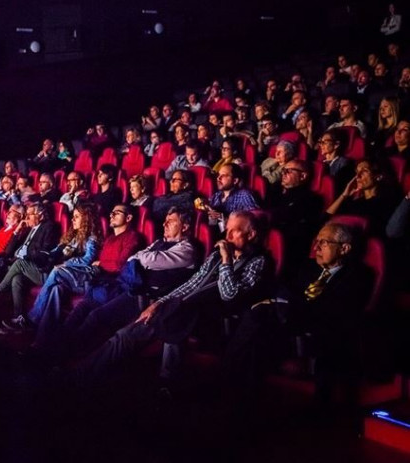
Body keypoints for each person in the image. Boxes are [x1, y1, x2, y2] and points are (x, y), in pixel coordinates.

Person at [73, 211, 268, 383]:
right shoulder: (216, 256)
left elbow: (229, 295)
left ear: (251, 235)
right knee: (125, 335)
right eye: (227, 230)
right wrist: (159, 302)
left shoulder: (257, 261)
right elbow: (192, 284)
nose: (228, 236)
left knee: (175, 319)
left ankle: (167, 383)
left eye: (235, 231)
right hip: (183, 306)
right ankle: (79, 375)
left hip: (212, 318)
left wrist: (226, 260)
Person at [224, 222, 372, 406]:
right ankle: (242, 390)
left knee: (259, 319)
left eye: (324, 243)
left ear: (344, 248)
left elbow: (337, 309)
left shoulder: (359, 275)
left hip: (322, 324)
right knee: (256, 314)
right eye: (316, 241)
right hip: (291, 316)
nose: (316, 247)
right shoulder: (309, 267)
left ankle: (230, 380)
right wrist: (278, 304)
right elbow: (285, 288)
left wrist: (285, 306)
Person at [61, 207, 198, 359]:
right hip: (130, 287)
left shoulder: (186, 250)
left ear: (184, 227)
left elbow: (146, 259)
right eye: (165, 221)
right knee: (87, 307)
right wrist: (139, 258)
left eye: (170, 221)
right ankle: (59, 348)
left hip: (145, 297)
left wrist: (140, 258)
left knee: (97, 317)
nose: (164, 224)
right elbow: (136, 257)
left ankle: (70, 358)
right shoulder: (159, 242)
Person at [19, 204, 144, 347]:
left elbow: (120, 265)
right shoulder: (109, 239)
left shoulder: (132, 237)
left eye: (117, 213)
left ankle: (32, 320)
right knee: (56, 290)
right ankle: (41, 340)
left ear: (128, 218)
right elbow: (99, 262)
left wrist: (100, 263)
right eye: (111, 212)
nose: (111, 215)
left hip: (102, 282)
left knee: (57, 272)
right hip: (95, 276)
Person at [0, 203, 104, 336]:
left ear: (86, 219)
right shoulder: (73, 237)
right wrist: (46, 255)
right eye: (73, 216)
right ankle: (20, 318)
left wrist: (66, 263)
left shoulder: (90, 239)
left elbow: (88, 260)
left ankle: (26, 316)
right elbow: (53, 252)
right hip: (52, 269)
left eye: (76, 217)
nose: (72, 219)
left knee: (21, 264)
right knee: (18, 278)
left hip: (64, 274)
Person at [0, 203, 60, 314]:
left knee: (18, 263)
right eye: (26, 215)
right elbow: (8, 251)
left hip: (38, 267)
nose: (26, 218)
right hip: (19, 263)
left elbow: (45, 253)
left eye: (29, 215)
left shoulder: (49, 227)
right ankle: (19, 317)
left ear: (40, 215)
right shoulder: (29, 228)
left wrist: (25, 255)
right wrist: (17, 232)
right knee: (17, 279)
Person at [268, 159, 323, 278]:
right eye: (283, 170)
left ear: (302, 176)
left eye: (288, 171)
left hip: (290, 248)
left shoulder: (311, 199)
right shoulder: (277, 192)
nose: (283, 173)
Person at [325, 159, 401, 235]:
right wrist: (344, 195)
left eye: (364, 171)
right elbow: (326, 218)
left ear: (378, 176)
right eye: (357, 172)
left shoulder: (385, 203)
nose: (358, 176)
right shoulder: (355, 202)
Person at [205, 164, 259, 230]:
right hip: (217, 234)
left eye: (223, 175)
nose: (218, 178)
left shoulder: (244, 195)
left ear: (235, 181)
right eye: (219, 175)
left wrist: (225, 219)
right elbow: (211, 222)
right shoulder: (216, 195)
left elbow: (255, 219)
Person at [319, 129, 354, 193]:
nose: (321, 145)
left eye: (325, 142)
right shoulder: (320, 163)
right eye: (321, 142)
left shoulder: (343, 163)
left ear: (336, 145)